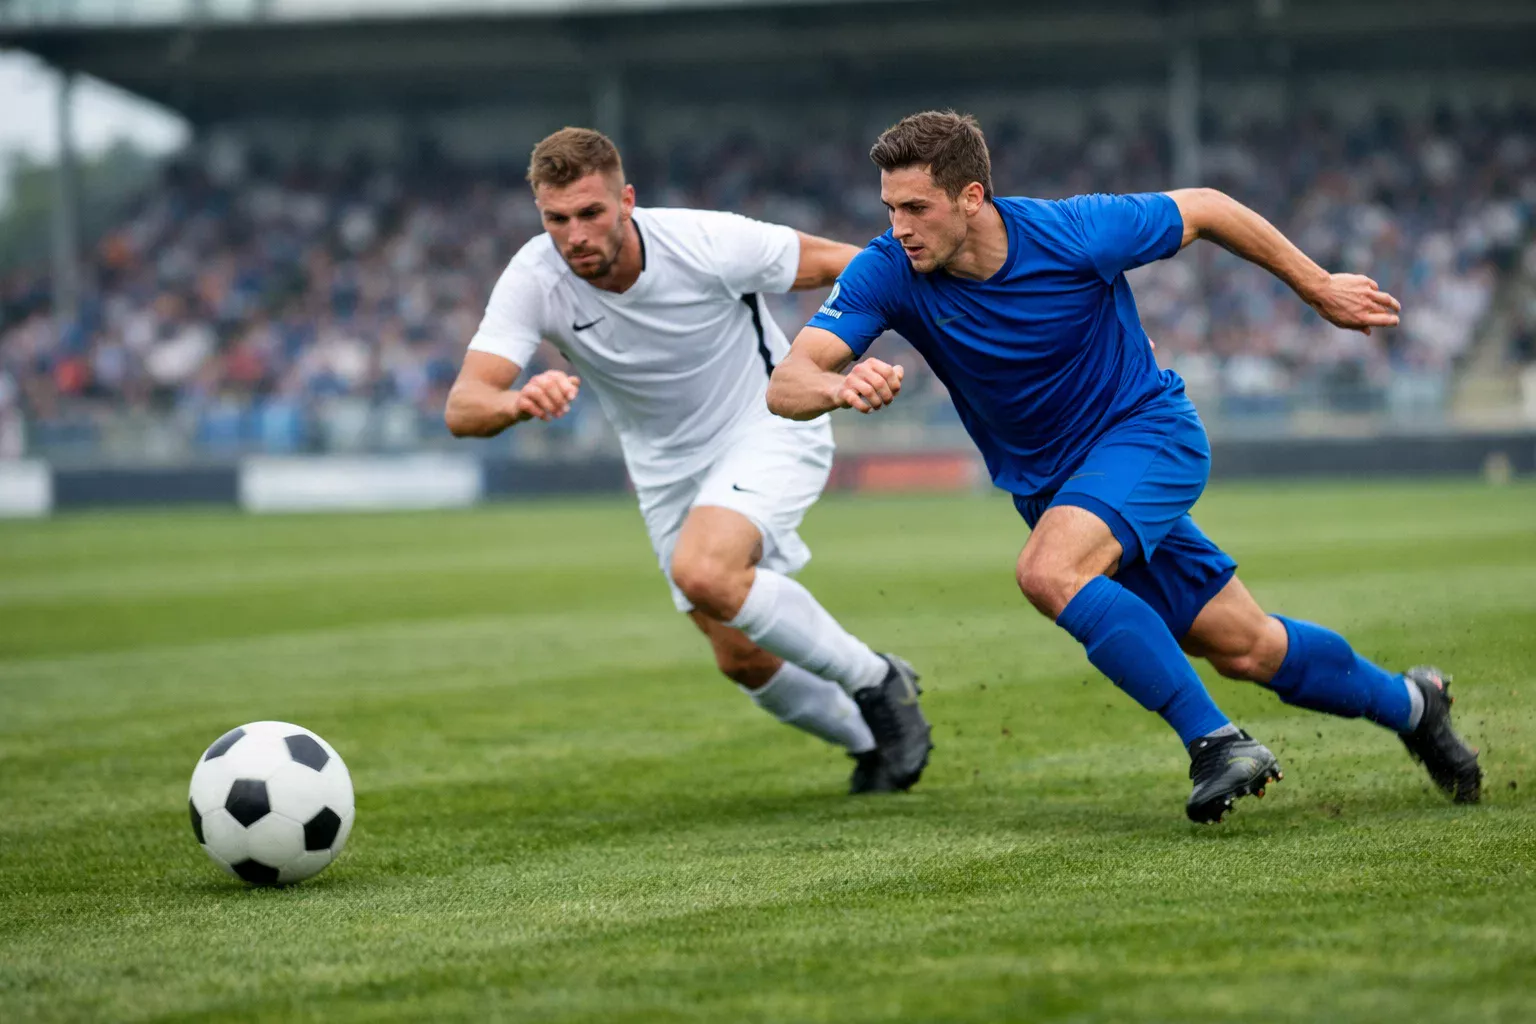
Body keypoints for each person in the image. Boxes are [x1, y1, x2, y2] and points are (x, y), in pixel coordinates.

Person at [766, 110, 1481, 822]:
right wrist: (838, 386)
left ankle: (1216, 743)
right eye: (890, 208)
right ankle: (1414, 704)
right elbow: (787, 383)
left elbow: (1208, 208)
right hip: (1060, 490)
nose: (899, 226)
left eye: (917, 208)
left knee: (1049, 572)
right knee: (1246, 647)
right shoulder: (888, 269)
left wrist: (1317, 286)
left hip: (1147, 437)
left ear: (972, 197)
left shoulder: (1075, 231)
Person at [446, 127, 932, 794]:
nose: (574, 235)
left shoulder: (706, 241)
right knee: (741, 656)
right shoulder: (535, 277)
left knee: (705, 570)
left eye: (590, 213)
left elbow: (850, 264)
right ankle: (872, 745)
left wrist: (877, 342)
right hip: (664, 472)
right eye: (556, 219)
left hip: (765, 426)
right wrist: (517, 402)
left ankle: (877, 679)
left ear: (627, 201)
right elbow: (464, 406)